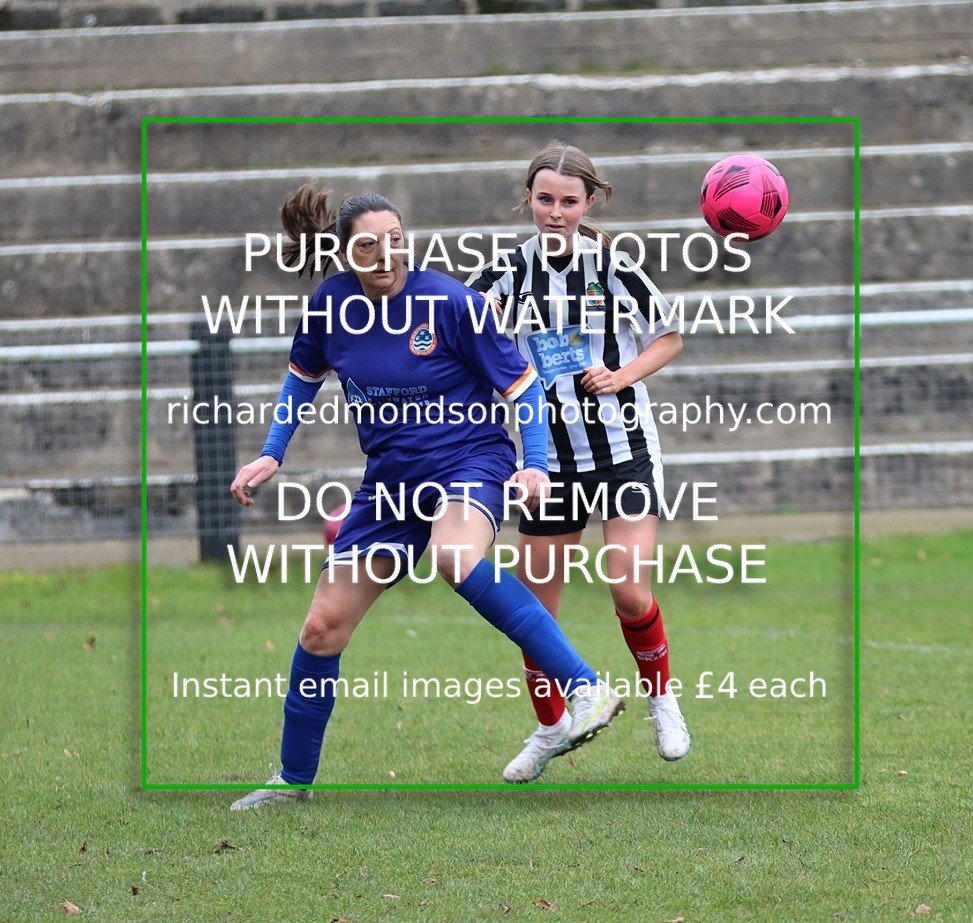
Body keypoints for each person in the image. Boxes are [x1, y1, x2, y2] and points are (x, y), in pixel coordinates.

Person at [228, 186, 624, 809]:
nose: (385, 255)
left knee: (455, 555)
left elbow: (522, 387)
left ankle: (585, 688)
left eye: (395, 241)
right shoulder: (330, 307)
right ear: (345, 250)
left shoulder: (451, 303)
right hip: (391, 482)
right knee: (321, 629)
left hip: (470, 459)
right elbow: (300, 381)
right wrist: (272, 452)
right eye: (368, 246)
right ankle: (291, 783)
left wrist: (537, 466)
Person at [467, 141, 691, 783]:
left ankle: (662, 703)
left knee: (628, 587)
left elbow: (669, 336)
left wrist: (620, 375)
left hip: (623, 452)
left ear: (588, 202)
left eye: (569, 201)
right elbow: (458, 329)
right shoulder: (505, 275)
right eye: (545, 200)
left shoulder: (615, 267)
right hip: (548, 462)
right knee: (536, 613)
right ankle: (551, 727)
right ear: (528, 200)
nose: (555, 212)